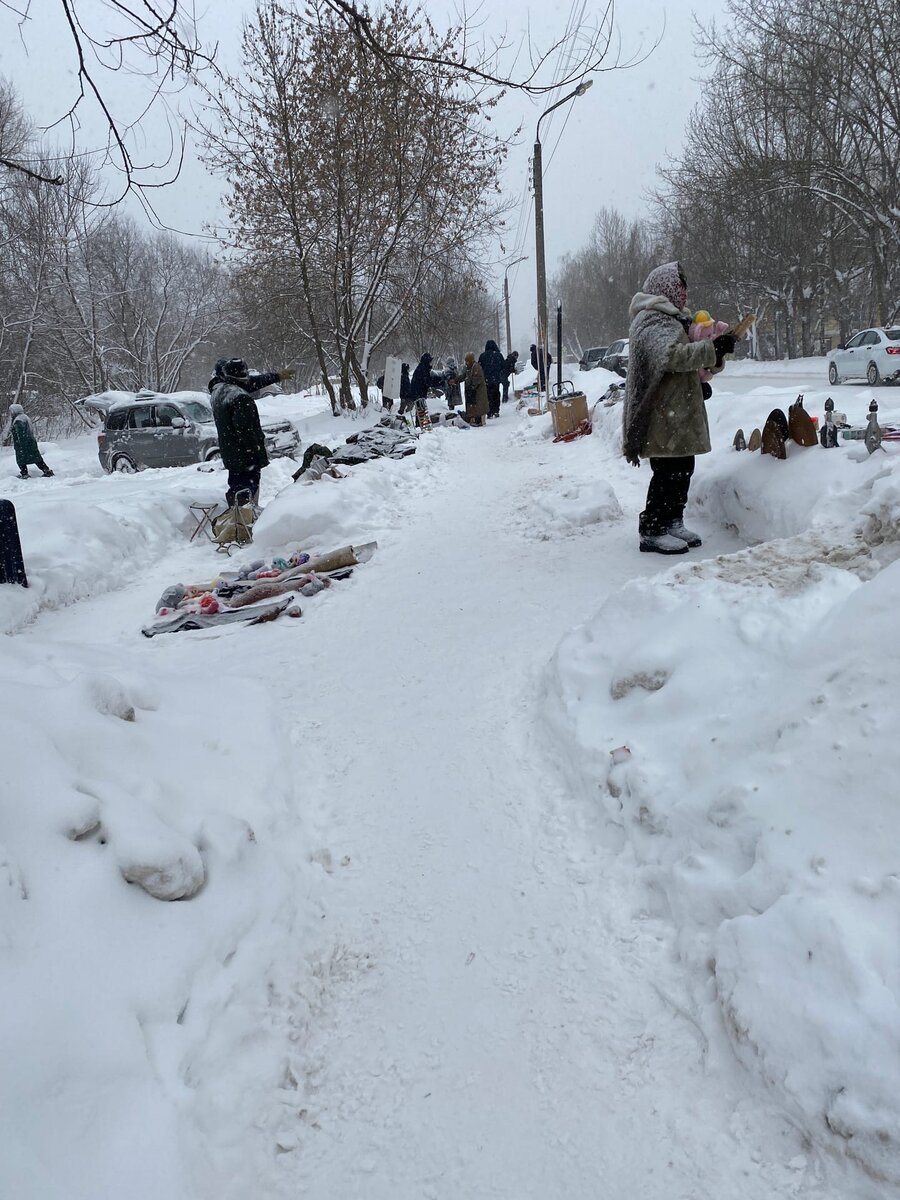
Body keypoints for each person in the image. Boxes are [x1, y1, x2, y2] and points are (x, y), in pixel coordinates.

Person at [622, 262, 736, 555]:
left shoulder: (677, 319)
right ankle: (652, 529)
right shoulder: (652, 320)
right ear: (667, 288)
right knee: (667, 472)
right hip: (662, 414)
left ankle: (672, 520)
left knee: (683, 468)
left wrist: (717, 350)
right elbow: (671, 356)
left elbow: (691, 359)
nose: (685, 292)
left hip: (679, 411)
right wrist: (710, 349)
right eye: (680, 286)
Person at [210, 358, 293, 507]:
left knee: (236, 488)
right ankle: (245, 520)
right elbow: (246, 430)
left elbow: (252, 382)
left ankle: (235, 517)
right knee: (247, 491)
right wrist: (256, 449)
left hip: (231, 454)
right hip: (246, 457)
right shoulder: (240, 397)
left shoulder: (219, 392)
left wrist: (276, 376)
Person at [4, 403, 53, 478]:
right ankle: (46, 470)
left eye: (11, 411)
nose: (11, 413)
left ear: (14, 411)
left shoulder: (18, 420)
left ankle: (24, 474)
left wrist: (20, 445)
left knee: (21, 460)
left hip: (23, 444)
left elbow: (21, 434)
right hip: (31, 443)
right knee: (37, 458)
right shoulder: (25, 417)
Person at [408, 353, 444, 425]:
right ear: (427, 361)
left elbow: (428, 380)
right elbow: (428, 381)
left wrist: (438, 380)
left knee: (421, 408)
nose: (430, 362)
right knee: (421, 408)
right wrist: (439, 382)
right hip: (418, 392)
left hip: (418, 391)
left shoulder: (423, 367)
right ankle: (421, 424)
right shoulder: (423, 368)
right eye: (430, 361)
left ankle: (421, 423)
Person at [456, 353, 488, 425]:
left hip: (478, 391)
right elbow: (464, 376)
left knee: (479, 407)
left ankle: (479, 421)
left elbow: (477, 379)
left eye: (467, 361)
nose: (466, 363)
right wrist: (456, 380)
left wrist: (472, 386)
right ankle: (474, 419)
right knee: (473, 406)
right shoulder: (469, 368)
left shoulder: (476, 367)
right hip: (473, 391)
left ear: (470, 360)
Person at [479, 339, 506, 419]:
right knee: (496, 394)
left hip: (486, 379)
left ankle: (489, 411)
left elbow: (480, 367)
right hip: (496, 379)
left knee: (488, 395)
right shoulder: (498, 355)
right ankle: (496, 410)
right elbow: (503, 366)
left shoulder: (482, 356)